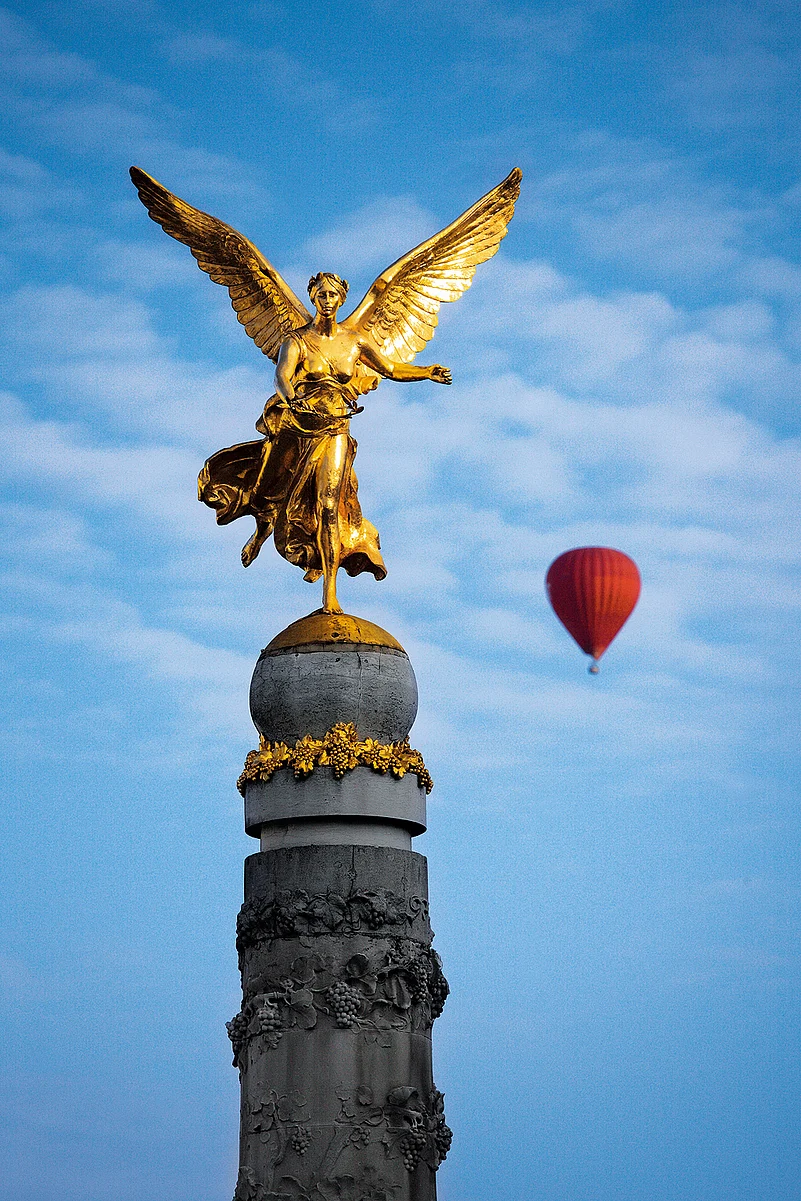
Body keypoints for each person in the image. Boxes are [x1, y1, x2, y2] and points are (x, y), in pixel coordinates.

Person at [198, 272, 451, 613]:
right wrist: (291, 399)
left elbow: (390, 368)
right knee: (269, 490)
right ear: (313, 298)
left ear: (341, 299)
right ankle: (261, 532)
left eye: (332, 295)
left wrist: (426, 372)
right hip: (298, 426)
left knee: (329, 505)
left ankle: (329, 591)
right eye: (321, 295)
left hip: (335, 429)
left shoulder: (355, 340)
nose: (327, 300)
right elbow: (282, 376)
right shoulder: (297, 340)